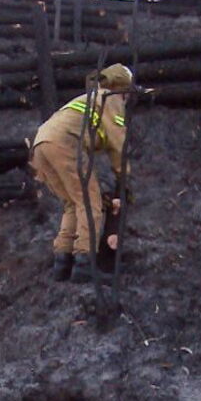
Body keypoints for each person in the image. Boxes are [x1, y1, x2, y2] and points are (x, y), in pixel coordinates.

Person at [29, 64, 132, 284]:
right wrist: (125, 179)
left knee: (72, 203)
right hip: (65, 142)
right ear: (123, 88)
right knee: (89, 202)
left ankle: (62, 262)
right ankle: (85, 264)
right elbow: (117, 142)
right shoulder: (109, 97)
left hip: (41, 144)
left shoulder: (88, 97)